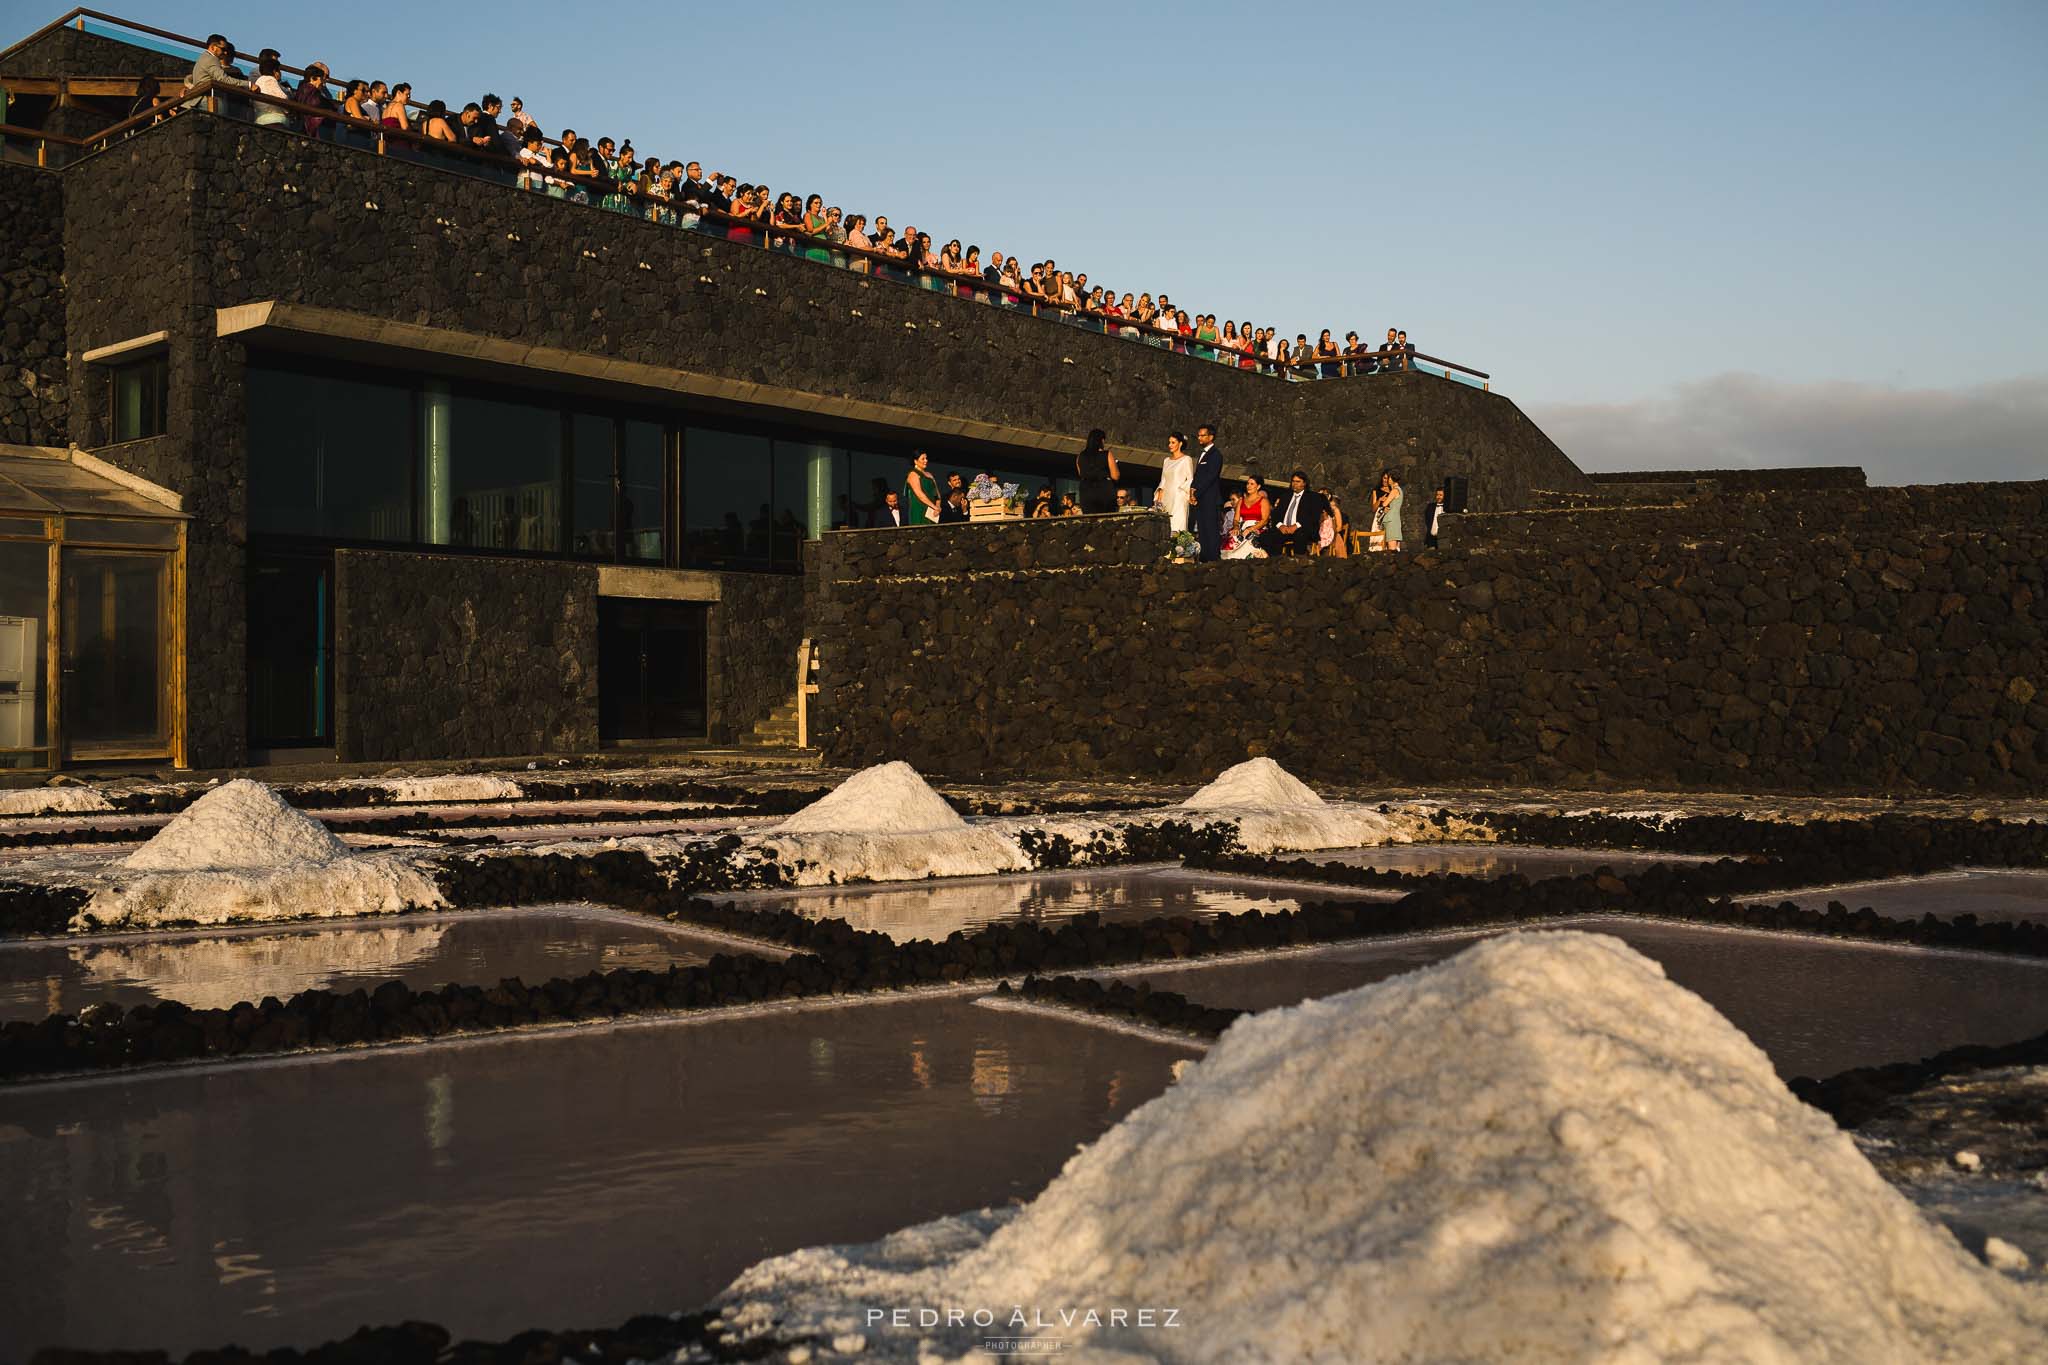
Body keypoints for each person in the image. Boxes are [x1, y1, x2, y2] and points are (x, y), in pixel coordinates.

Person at [1261, 470, 1325, 557]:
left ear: (1304, 483)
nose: (1294, 484)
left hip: (1302, 528)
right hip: (1284, 528)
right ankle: (1275, 560)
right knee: (1265, 536)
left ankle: (1298, 560)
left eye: (1298, 482)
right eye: (1293, 481)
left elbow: (1313, 516)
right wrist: (1280, 525)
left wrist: (1296, 526)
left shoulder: (1312, 497)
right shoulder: (1285, 496)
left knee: (1300, 535)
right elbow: (1276, 514)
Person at [1192, 423, 1224, 562]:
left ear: (1211, 437)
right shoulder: (1202, 454)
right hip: (1200, 498)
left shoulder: (1216, 455)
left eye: (1203, 435)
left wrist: (1196, 492)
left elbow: (1210, 477)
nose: (1200, 438)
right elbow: (1197, 476)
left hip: (1210, 498)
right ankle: (1205, 558)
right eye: (1198, 435)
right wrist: (1192, 491)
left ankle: (1213, 559)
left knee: (1211, 529)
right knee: (1202, 528)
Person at [184, 34, 250, 99]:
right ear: (213, 47)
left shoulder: (203, 57)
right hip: (211, 98)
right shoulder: (211, 59)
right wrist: (249, 84)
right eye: (223, 49)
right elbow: (223, 79)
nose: (225, 53)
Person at [1156, 432, 1194, 536]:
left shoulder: (1186, 459)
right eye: (1169, 442)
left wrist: (1181, 492)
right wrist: (1159, 500)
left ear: (1180, 444)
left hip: (1179, 498)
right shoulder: (1166, 460)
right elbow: (1163, 480)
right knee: (1165, 527)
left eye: (1173, 442)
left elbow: (1190, 479)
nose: (1170, 445)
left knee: (1177, 526)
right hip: (1166, 498)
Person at [1076, 428, 1119, 514]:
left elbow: (1081, 474)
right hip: (1104, 492)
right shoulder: (1107, 454)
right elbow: (1115, 475)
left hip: (1086, 493)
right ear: (1102, 440)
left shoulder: (1080, 456)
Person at [251, 54, 290, 126]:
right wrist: (288, 110)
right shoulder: (270, 79)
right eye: (279, 70)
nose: (281, 73)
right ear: (275, 71)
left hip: (261, 119)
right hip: (274, 120)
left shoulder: (259, 80)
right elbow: (282, 98)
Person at [904, 451, 941, 525]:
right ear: (915, 461)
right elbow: (920, 494)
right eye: (923, 459)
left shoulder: (929, 475)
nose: (926, 461)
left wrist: (938, 507)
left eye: (926, 458)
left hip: (932, 512)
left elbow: (937, 494)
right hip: (919, 510)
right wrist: (934, 507)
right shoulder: (913, 474)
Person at [1379, 470, 1404, 551]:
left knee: (1391, 548)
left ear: (1391, 479)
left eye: (1389, 478)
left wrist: (1383, 499)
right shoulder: (1399, 490)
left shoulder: (1394, 490)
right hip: (1395, 519)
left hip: (1391, 520)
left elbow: (1384, 504)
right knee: (1396, 548)